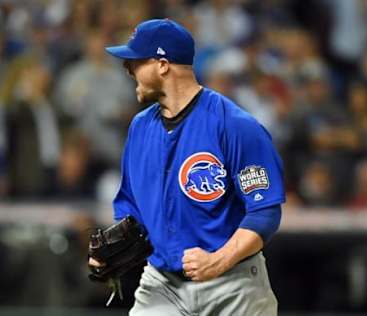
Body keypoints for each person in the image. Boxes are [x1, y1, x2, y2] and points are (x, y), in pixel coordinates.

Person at [89, 19, 285, 316]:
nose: (127, 69)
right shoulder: (140, 128)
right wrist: (114, 252)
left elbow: (265, 212)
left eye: (135, 61)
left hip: (233, 284)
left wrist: (219, 260)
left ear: (163, 65)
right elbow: (132, 210)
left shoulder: (234, 126)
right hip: (161, 284)